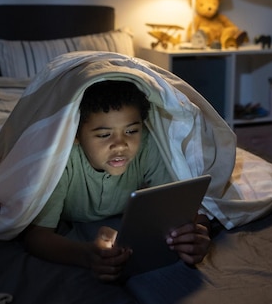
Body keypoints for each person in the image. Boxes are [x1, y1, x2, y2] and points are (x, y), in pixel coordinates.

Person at [22, 80, 211, 282]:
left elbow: (186, 209)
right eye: (104, 134)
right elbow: (36, 236)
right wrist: (86, 255)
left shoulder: (148, 146)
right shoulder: (63, 160)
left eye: (131, 131)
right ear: (75, 134)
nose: (120, 145)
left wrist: (196, 235)